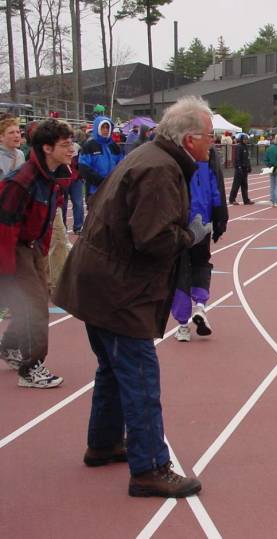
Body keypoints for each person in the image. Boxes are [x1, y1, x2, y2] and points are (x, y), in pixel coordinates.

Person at [53, 96, 211, 498]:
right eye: (210, 137)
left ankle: (103, 443)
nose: (214, 143)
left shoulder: (151, 155)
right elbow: (153, 239)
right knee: (140, 378)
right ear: (190, 139)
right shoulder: (159, 169)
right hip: (119, 290)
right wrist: (190, 234)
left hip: (100, 282)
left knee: (112, 369)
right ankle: (150, 467)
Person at [0, 119, 74, 387]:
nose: (72, 150)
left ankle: (9, 347)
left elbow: (44, 218)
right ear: (46, 148)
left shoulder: (53, 176)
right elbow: (5, 227)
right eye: (65, 145)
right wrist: (7, 271)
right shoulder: (21, 182)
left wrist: (41, 253)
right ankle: (30, 369)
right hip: (15, 249)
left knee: (32, 300)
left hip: (32, 247)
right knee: (35, 307)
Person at [173, 144, 228, 342]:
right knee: (200, 265)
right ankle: (200, 306)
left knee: (181, 271)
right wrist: (221, 218)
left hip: (185, 224)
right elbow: (216, 190)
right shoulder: (206, 155)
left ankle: (183, 325)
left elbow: (215, 187)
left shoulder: (183, 154)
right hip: (201, 221)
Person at [78, 115, 123, 203]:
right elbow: (83, 168)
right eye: (103, 127)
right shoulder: (89, 146)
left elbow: (122, 165)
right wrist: (101, 182)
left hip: (113, 190)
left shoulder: (114, 147)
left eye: (107, 127)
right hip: (94, 190)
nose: (106, 130)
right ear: (97, 128)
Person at [230, 133, 254, 205]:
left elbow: (247, 158)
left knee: (244, 185)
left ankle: (246, 200)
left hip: (245, 169)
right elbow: (237, 158)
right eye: (244, 139)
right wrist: (239, 167)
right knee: (236, 185)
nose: (246, 140)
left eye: (247, 139)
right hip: (239, 169)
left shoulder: (246, 147)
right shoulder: (239, 147)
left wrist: (249, 166)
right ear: (241, 139)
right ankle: (232, 199)